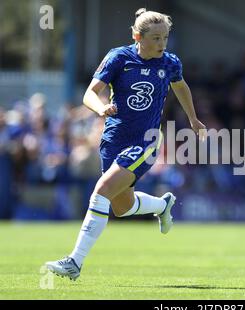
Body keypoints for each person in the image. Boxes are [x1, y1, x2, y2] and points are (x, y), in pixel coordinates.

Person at [45, 8, 206, 280]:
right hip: (113, 139)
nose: (161, 44)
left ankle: (75, 262)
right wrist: (101, 108)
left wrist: (193, 118)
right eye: (155, 38)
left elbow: (181, 86)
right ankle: (161, 205)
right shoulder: (119, 57)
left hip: (146, 140)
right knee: (121, 206)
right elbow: (90, 93)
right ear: (137, 36)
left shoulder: (169, 63)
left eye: (165, 37)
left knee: (102, 190)